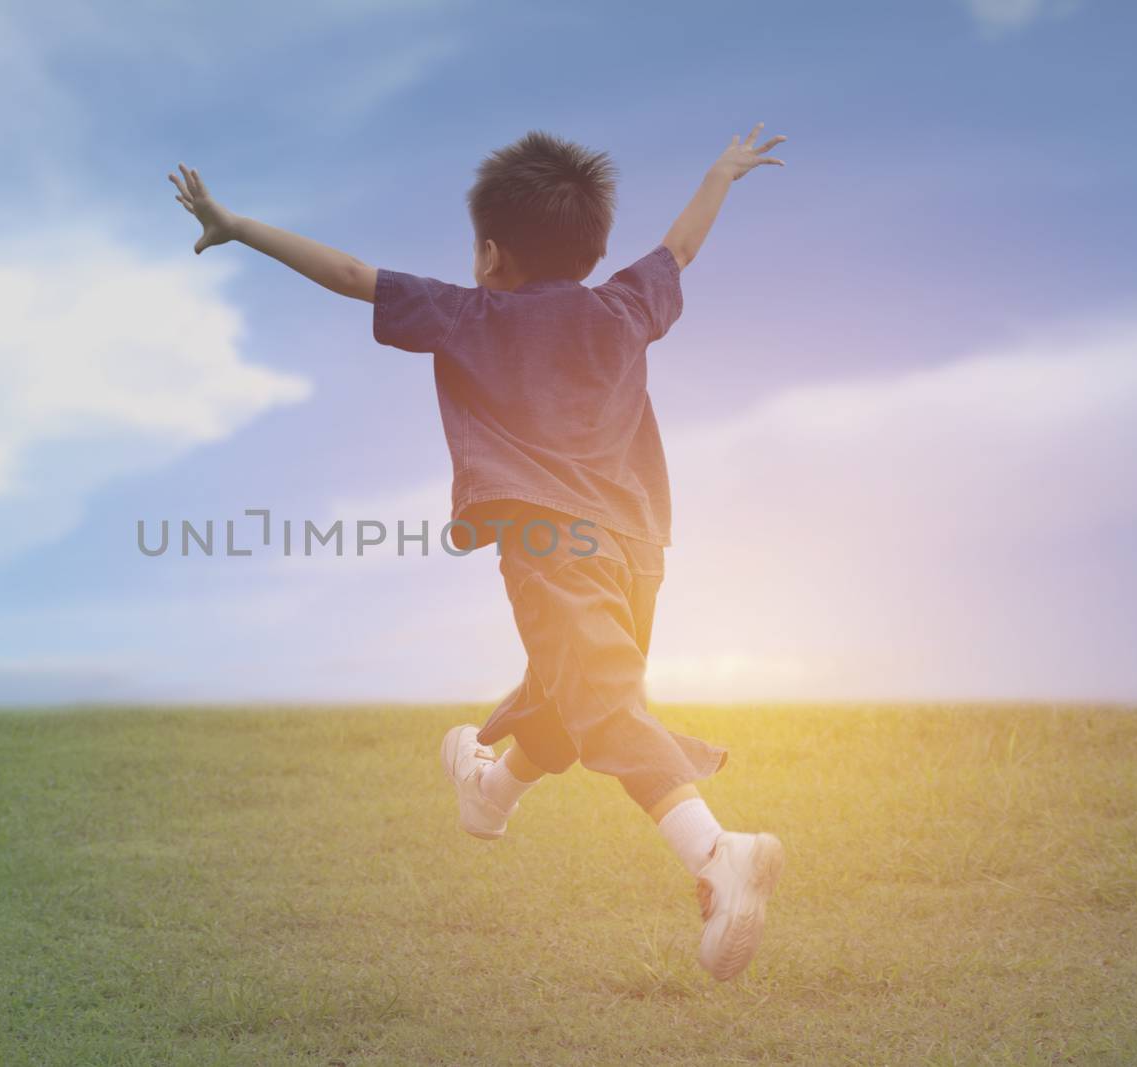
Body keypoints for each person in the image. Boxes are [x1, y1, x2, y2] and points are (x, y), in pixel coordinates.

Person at [168, 122, 788, 981]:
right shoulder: (623, 303)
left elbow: (351, 276)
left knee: (600, 703)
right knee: (570, 699)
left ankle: (716, 852)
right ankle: (488, 792)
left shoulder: (470, 314)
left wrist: (239, 228)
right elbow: (679, 249)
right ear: (589, 244)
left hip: (549, 535)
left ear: (492, 253)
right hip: (638, 543)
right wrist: (721, 173)